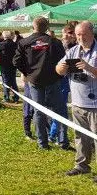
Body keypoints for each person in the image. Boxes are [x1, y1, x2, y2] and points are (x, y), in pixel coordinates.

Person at [13, 16, 66, 150]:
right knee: (58, 111)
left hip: (35, 80)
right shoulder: (54, 42)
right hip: (51, 80)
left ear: (33, 26)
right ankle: (62, 141)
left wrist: (27, 72)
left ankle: (42, 143)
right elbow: (63, 60)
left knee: (39, 111)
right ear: (47, 28)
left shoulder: (25, 42)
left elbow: (16, 61)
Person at [56, 21, 97, 177]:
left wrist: (88, 67)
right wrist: (62, 68)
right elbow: (58, 70)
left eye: (83, 34)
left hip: (95, 104)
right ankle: (82, 165)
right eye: (78, 34)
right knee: (80, 137)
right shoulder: (73, 51)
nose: (80, 37)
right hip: (78, 103)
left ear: (91, 33)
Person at [50, 23, 77, 150]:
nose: (72, 36)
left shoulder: (77, 47)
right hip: (60, 81)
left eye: (73, 33)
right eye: (70, 33)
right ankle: (55, 135)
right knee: (61, 109)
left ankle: (55, 135)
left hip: (75, 81)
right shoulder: (57, 45)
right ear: (64, 33)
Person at [0, 30, 19, 102]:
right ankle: (16, 97)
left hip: (4, 65)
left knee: (5, 81)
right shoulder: (15, 44)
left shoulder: (1, 44)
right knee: (13, 81)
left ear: (3, 36)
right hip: (13, 65)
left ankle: (6, 97)